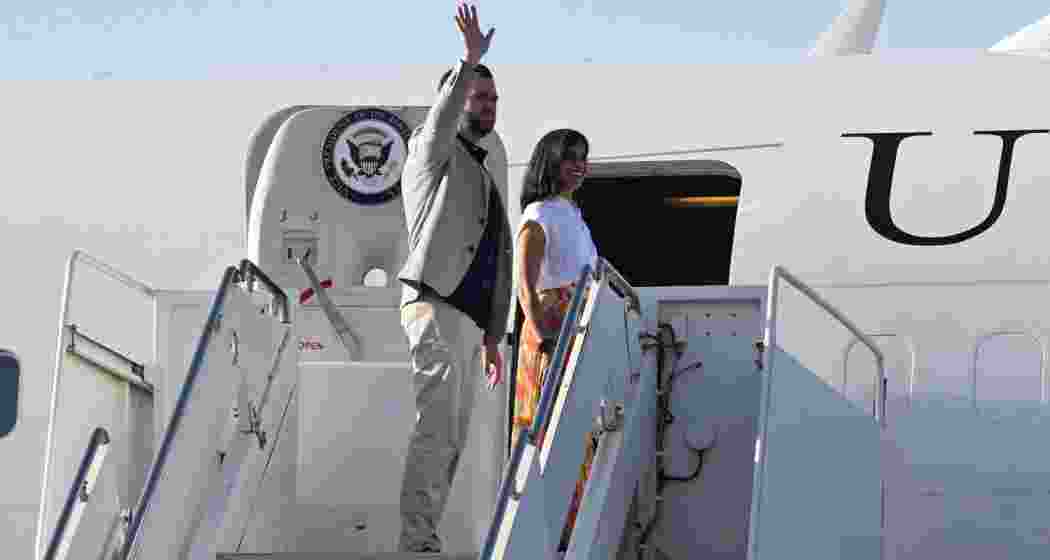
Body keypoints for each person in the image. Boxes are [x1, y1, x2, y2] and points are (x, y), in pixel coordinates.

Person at [395, 3, 512, 553]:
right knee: (437, 426)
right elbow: (441, 117)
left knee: (455, 436)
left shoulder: (482, 169)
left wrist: (492, 336)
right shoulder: (431, 151)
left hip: (466, 317)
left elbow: (493, 258)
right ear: (458, 96)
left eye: (493, 98)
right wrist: (468, 61)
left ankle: (426, 536)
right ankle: (416, 541)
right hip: (434, 302)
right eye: (479, 96)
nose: (489, 106)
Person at [513, 128, 599, 552]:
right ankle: (542, 529)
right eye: (570, 157)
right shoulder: (540, 214)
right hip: (553, 330)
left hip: (580, 325)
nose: (579, 165)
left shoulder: (574, 216)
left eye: (583, 157)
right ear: (550, 162)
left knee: (578, 427)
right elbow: (525, 286)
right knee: (547, 426)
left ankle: (572, 529)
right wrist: (545, 333)